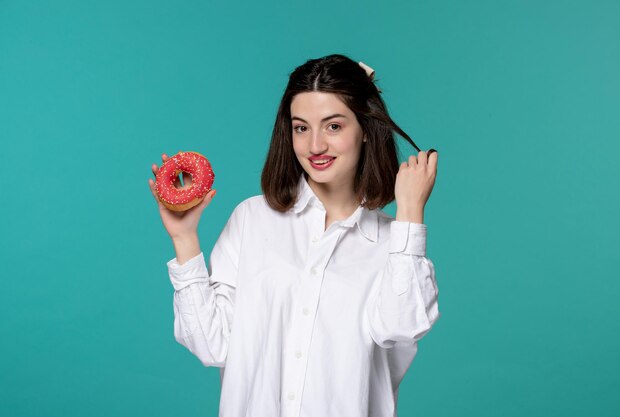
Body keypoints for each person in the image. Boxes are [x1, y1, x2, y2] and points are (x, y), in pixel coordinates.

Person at [147, 54, 440, 417]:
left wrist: (409, 216)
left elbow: (401, 327)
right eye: (301, 127)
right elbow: (214, 346)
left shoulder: (394, 247)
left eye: (333, 126)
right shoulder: (251, 220)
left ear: (365, 129)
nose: (315, 145)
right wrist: (184, 237)